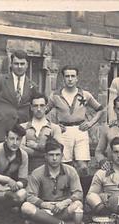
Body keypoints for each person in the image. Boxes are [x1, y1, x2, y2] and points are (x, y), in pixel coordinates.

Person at [46, 65, 105, 193]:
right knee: (65, 165)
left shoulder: (85, 94)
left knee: (82, 166)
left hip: (80, 130)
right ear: (63, 78)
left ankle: (83, 197)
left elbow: (100, 109)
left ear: (77, 78)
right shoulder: (55, 95)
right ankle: (65, 194)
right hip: (63, 132)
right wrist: (54, 126)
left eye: (73, 76)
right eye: (67, 76)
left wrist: (90, 123)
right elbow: (42, 112)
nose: (70, 79)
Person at [21, 138, 83, 224]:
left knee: (78, 205)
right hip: (45, 209)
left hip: (63, 208)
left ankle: (43, 222)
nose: (54, 158)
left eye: (57, 155)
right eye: (51, 155)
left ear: (62, 155)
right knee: (26, 207)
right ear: (45, 156)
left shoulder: (70, 171)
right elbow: (30, 196)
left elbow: (78, 193)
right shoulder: (37, 173)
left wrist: (64, 203)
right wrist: (46, 205)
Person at [0, 50, 37, 144]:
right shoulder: (0, 81)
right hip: (1, 127)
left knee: (19, 156)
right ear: (11, 64)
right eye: (16, 64)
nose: (19, 66)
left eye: (22, 64)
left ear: (27, 65)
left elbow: (35, 106)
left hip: (21, 128)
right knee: (0, 155)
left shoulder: (32, 85)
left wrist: (26, 120)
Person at [20, 94, 63, 173]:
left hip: (49, 171)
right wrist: (44, 153)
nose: (39, 109)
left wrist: (36, 146)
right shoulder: (23, 127)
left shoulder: (55, 128)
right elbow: (20, 149)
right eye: (36, 106)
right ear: (31, 107)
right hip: (27, 170)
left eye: (42, 105)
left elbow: (56, 149)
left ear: (46, 107)